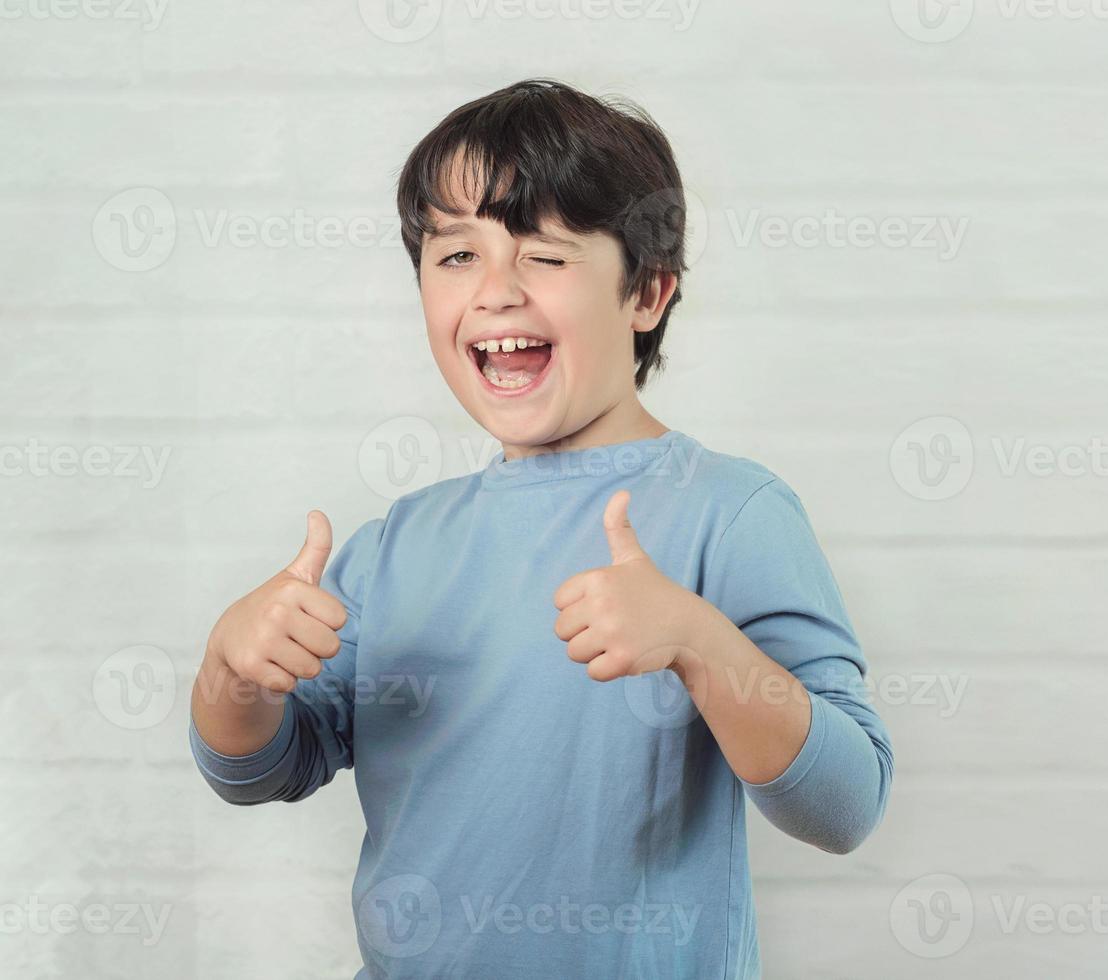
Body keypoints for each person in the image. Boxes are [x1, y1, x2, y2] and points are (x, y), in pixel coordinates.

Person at [187, 77, 893, 979]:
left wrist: (697, 642)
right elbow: (258, 771)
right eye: (456, 256)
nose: (494, 292)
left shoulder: (732, 512)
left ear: (647, 293)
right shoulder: (397, 545)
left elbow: (845, 805)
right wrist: (229, 671)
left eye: (546, 255)